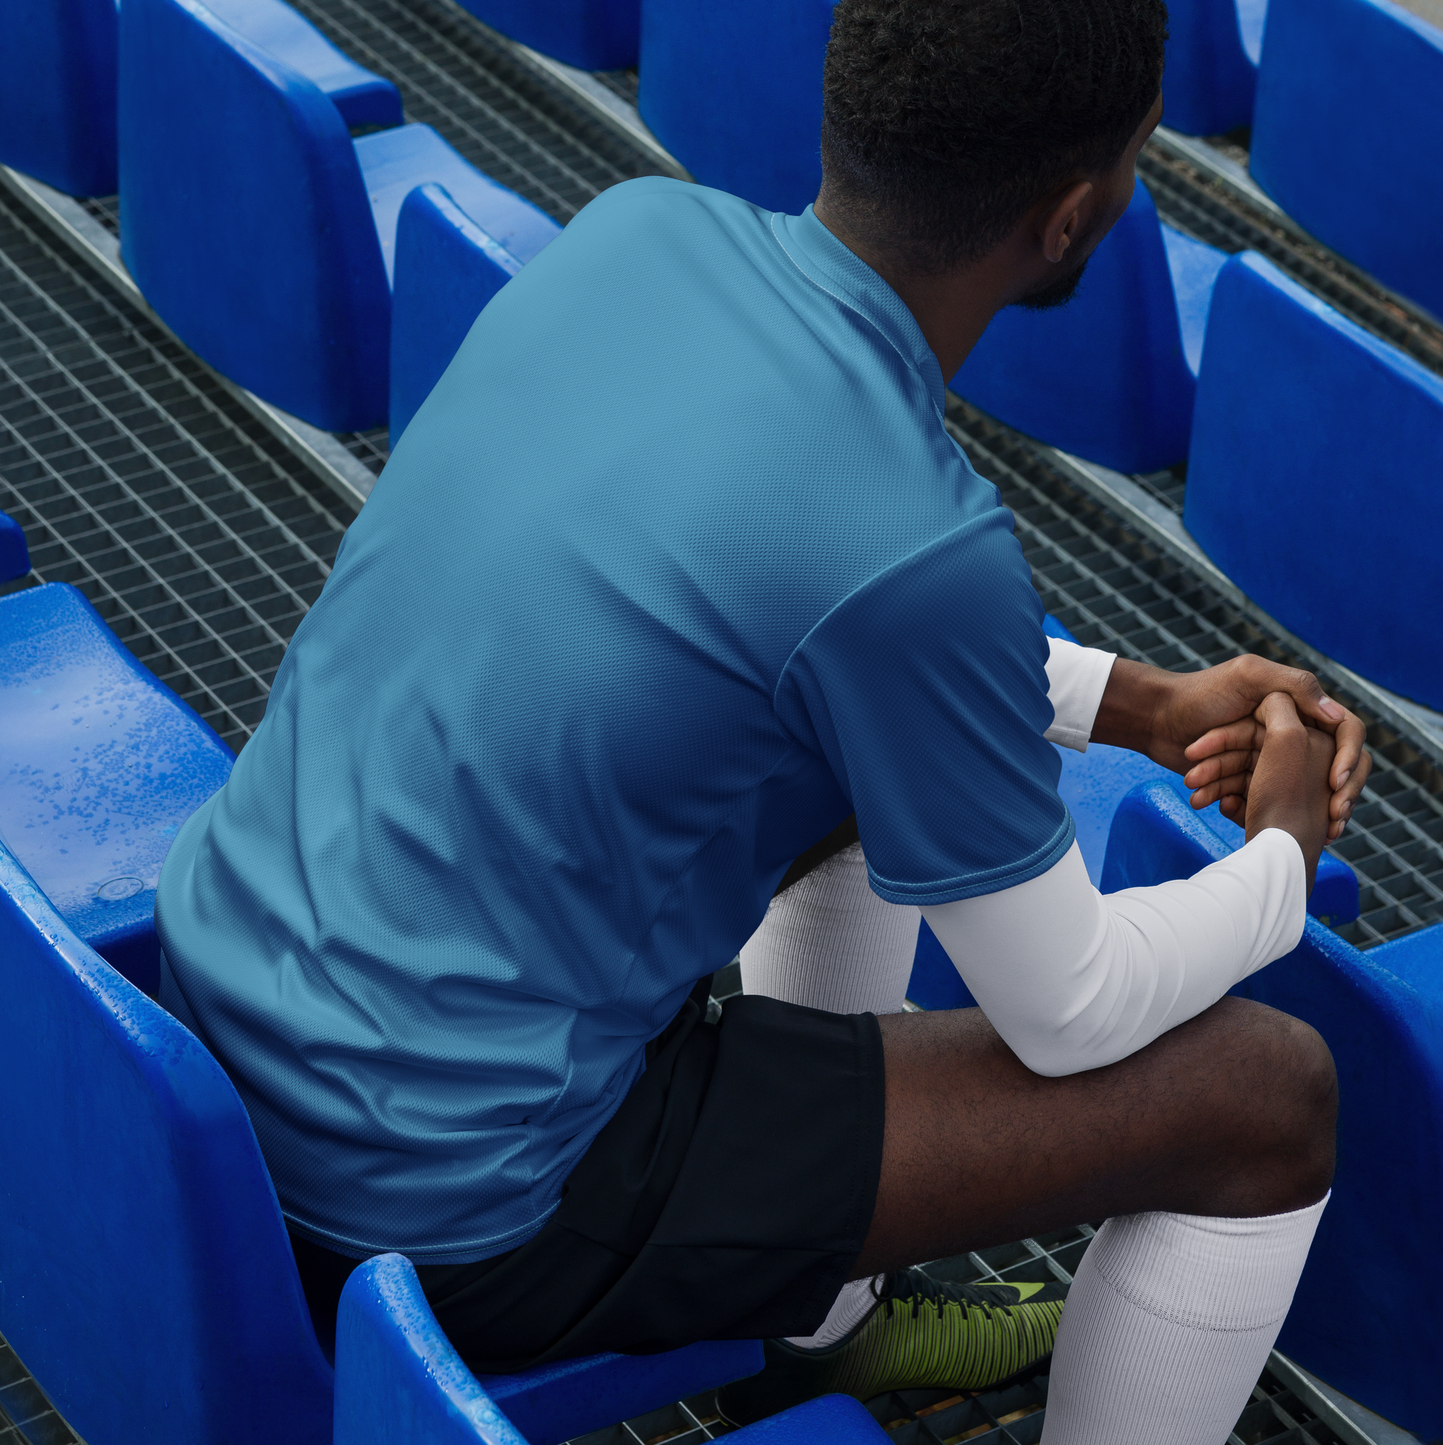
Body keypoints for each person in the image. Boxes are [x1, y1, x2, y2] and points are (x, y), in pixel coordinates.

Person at [154, 0, 1372, 1440]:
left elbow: (806, 625)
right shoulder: (916, 541)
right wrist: (1281, 864)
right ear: (1072, 219)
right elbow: (1071, 1009)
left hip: (227, 1046)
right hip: (457, 1202)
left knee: (857, 772)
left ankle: (826, 1335)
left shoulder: (634, 235)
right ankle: (813, 1316)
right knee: (1264, 1097)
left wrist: (1137, 703)